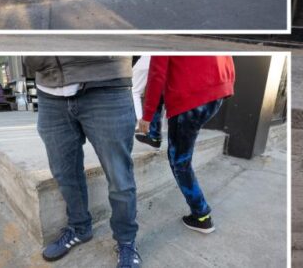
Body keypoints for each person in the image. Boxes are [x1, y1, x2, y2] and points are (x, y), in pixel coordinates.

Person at [23, 56, 140, 268]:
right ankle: (79, 227)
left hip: (105, 84)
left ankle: (126, 240)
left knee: (119, 176)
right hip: (49, 92)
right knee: (64, 173)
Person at [139, 56, 235, 234]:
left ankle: (201, 215)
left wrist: (147, 115)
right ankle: (154, 134)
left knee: (180, 162)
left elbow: (156, 74)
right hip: (217, 91)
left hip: (191, 99)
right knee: (181, 156)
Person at [132, 56, 164, 149]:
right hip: (155, 61)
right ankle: (155, 136)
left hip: (143, 60)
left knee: (135, 92)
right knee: (157, 95)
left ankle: (141, 127)